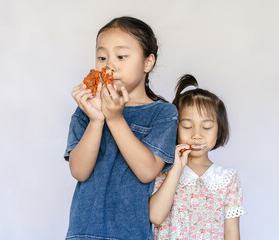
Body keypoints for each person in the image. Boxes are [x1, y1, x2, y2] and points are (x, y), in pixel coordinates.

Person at [64, 16, 178, 240]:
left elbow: (146, 172)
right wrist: (97, 119)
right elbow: (79, 171)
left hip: (130, 233)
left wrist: (115, 119)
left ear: (148, 62)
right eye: (102, 57)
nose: (109, 65)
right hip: (83, 232)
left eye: (121, 56)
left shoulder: (163, 114)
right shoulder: (86, 110)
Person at [149, 74, 245, 240]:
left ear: (219, 130)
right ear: (175, 128)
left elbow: (231, 233)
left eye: (206, 127)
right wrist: (176, 169)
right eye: (187, 126)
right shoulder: (163, 170)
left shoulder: (227, 179)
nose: (196, 135)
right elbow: (155, 217)